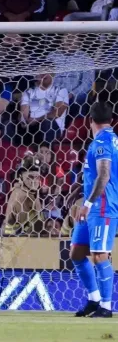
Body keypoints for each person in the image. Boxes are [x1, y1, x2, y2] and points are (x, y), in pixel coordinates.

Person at [71, 102, 118, 318]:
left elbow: (104, 175)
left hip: (102, 207)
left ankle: (106, 307)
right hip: (90, 207)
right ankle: (94, 298)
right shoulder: (110, 139)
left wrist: (87, 204)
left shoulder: (103, 141)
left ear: (90, 121)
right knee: (77, 252)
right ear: (112, 120)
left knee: (100, 255)